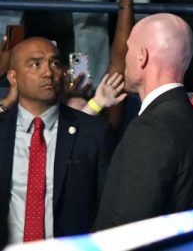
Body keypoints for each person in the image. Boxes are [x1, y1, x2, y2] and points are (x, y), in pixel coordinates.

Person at [93, 13, 193, 229]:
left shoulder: (152, 129)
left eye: (129, 50)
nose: (125, 58)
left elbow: (127, 231)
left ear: (142, 56)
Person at [0, 37, 111, 244]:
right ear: (13, 78)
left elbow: (108, 205)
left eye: (55, 63)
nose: (48, 73)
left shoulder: (93, 132)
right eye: (36, 64)